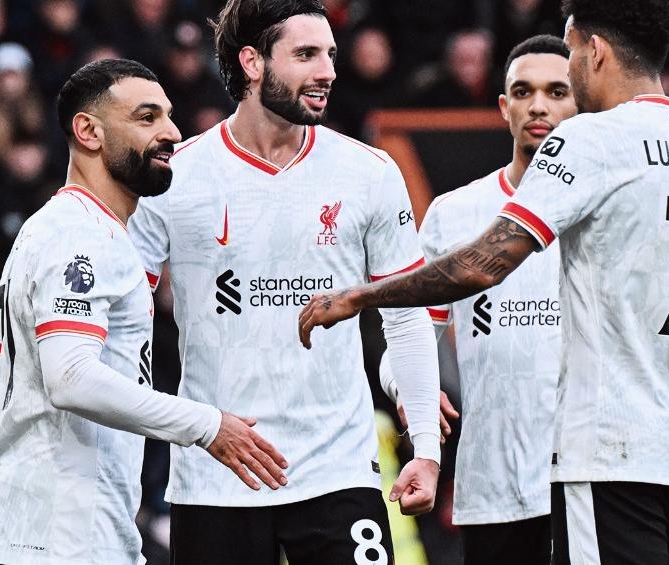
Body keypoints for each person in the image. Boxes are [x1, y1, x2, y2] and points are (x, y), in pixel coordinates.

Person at [299, 1, 669, 563]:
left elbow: (481, 264)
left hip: (603, 454)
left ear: (594, 51)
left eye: (568, 63)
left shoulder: (589, 143)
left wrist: (361, 295)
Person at [126, 2, 443, 564]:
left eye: (330, 55)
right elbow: (124, 322)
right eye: (305, 55)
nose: (328, 71)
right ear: (252, 62)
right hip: (216, 473)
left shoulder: (368, 172)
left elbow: (406, 312)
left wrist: (425, 446)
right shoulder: (177, 176)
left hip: (336, 470)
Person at [0, 58, 285, 565]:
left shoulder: (55, 229)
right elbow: (70, 378)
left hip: (49, 533)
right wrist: (207, 426)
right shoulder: (81, 236)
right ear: (89, 131)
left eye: (168, 116)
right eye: (147, 118)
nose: (171, 132)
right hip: (68, 540)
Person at [380, 34, 574, 565]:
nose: (539, 105)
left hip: (584, 484)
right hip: (491, 491)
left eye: (558, 91)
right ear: (503, 107)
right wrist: (408, 388)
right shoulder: (455, 212)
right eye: (524, 91)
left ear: (581, 103)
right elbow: (407, 335)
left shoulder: (603, 212)